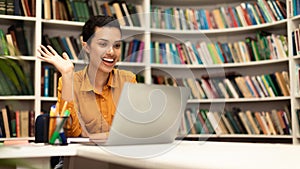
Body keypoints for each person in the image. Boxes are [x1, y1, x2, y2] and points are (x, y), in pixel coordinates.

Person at [37, 15, 137, 138]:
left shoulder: (128, 80)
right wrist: (68, 75)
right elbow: (68, 133)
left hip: (118, 155)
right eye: (103, 44)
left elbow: (133, 131)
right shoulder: (68, 81)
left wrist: (92, 136)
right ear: (87, 47)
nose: (111, 52)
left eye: (116, 46)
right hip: (82, 156)